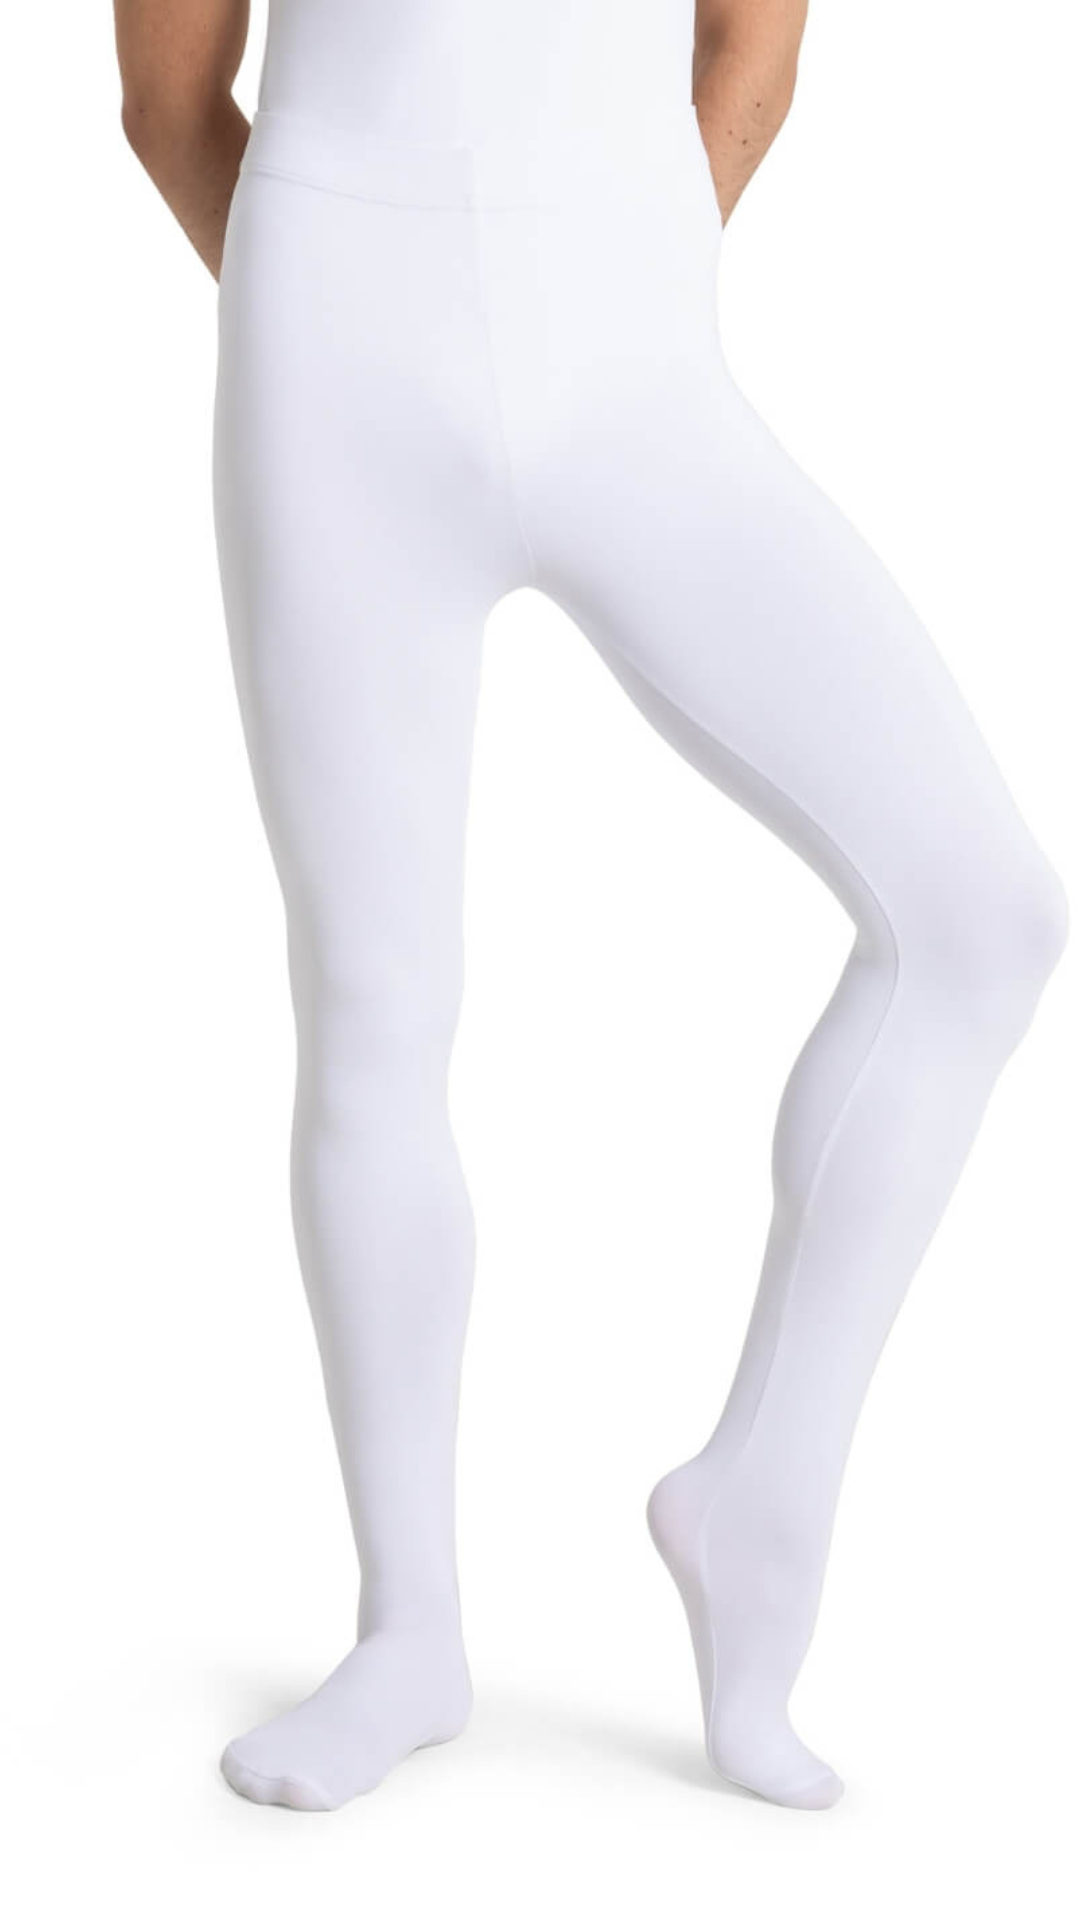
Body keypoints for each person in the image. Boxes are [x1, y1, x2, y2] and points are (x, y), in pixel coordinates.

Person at [114, 0, 1067, 1814]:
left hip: (615, 345)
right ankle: (407, 1632)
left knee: (982, 914)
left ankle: (760, 1501)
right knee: (375, 1003)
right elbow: (169, 101)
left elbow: (753, 57)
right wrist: (348, 318)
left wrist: (600, 277)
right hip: (339, 354)